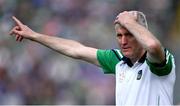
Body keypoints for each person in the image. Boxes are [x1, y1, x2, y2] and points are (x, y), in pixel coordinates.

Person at [9, 11, 176, 105]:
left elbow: (153, 46)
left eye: (129, 35)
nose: (123, 41)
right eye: (119, 35)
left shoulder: (158, 61)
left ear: (140, 33)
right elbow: (76, 50)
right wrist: (35, 35)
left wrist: (128, 21)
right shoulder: (118, 61)